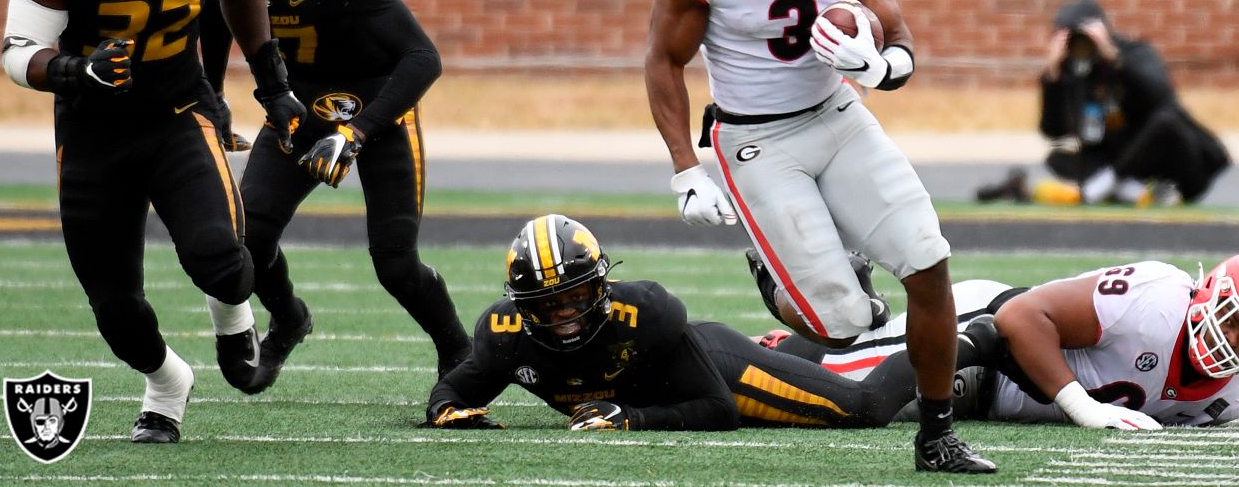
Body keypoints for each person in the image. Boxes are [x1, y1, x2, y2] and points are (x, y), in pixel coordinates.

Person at [643, 0, 994, 473]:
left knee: (929, 262)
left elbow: (889, 17)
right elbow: (664, 58)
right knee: (841, 324)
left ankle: (937, 437)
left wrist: (884, 64)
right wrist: (687, 167)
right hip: (754, 140)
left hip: (838, 113)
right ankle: (772, 268)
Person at [0, 0, 306, 444]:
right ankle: (166, 382)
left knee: (222, 262)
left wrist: (273, 86)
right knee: (117, 312)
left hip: (176, 108)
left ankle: (234, 319)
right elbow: (19, 50)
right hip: (91, 130)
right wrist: (72, 70)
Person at [201, 0, 471, 392]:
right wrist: (214, 99)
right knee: (246, 242)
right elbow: (212, 21)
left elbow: (423, 57)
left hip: (376, 105)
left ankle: (459, 354)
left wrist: (358, 132)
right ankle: (290, 316)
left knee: (395, 263)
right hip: (296, 106)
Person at [424, 214, 998, 433]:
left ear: (599, 288)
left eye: (574, 297)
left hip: (715, 371)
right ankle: (795, 345)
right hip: (692, 376)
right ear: (522, 306)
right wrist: (446, 411)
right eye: (548, 305)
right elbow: (458, 385)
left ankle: (975, 342)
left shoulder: (644, 318)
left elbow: (719, 410)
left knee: (866, 409)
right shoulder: (505, 336)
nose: (564, 314)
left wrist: (633, 419)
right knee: (816, 380)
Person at [773, 257, 1239, 428]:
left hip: (1003, 397)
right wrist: (1082, 406)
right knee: (830, 379)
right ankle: (780, 311)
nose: (1234, 339)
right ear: (1214, 293)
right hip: (989, 343)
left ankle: (867, 307)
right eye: (1235, 320)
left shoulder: (1231, 392)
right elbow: (1021, 316)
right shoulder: (1155, 298)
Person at [976, 0, 1229, 206]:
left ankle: (1105, 188)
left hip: (1176, 163)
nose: (1080, 47)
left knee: (1165, 122)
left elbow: (1163, 99)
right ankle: (1134, 192)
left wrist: (1116, 61)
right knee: (1059, 157)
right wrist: (1052, 78)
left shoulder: (1134, 54)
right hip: (1128, 168)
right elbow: (1053, 130)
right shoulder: (1075, 74)